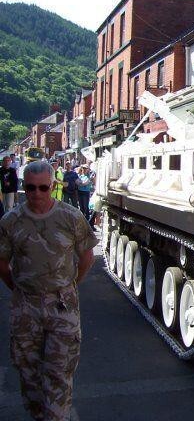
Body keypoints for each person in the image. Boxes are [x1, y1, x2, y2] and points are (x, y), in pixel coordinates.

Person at [0, 161, 98, 420]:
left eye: (44, 187)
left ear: (52, 186)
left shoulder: (70, 217)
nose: (37, 194)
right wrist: (18, 288)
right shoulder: (11, 222)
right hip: (25, 307)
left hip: (61, 306)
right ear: (24, 187)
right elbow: (2, 261)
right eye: (31, 188)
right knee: (28, 372)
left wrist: (71, 284)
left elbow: (87, 255)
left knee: (59, 373)